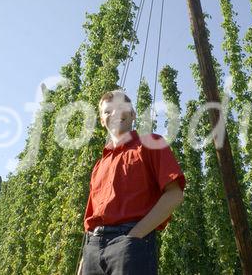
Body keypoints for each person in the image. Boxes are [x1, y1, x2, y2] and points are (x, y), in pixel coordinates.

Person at [78, 89, 186, 275]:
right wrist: (84, 261)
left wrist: (133, 236)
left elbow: (174, 194)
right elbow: (91, 218)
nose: (114, 113)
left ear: (133, 114)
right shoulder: (99, 165)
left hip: (130, 243)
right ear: (102, 121)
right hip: (92, 249)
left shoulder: (151, 143)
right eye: (107, 111)